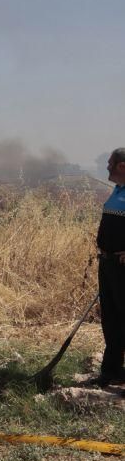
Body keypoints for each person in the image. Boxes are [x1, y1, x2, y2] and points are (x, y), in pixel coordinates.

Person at [95, 148, 125, 386]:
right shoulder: (117, 190)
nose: (106, 167)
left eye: (109, 163)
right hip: (108, 264)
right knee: (111, 319)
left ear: (121, 166)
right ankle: (111, 371)